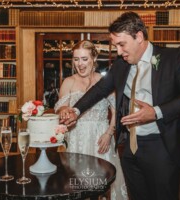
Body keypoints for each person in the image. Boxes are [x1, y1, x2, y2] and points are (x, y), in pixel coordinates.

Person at [59, 12, 180, 200]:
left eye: (122, 44)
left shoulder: (172, 58)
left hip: (162, 146)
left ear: (139, 37)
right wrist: (76, 110)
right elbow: (99, 90)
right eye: (116, 46)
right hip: (130, 149)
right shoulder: (121, 65)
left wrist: (156, 112)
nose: (119, 52)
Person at [54, 40, 128, 200]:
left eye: (84, 59)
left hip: (101, 140)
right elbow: (61, 108)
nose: (79, 64)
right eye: (76, 59)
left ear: (94, 58)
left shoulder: (105, 82)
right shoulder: (69, 82)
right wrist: (64, 110)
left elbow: (117, 111)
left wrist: (109, 134)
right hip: (76, 139)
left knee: (104, 183)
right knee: (76, 184)